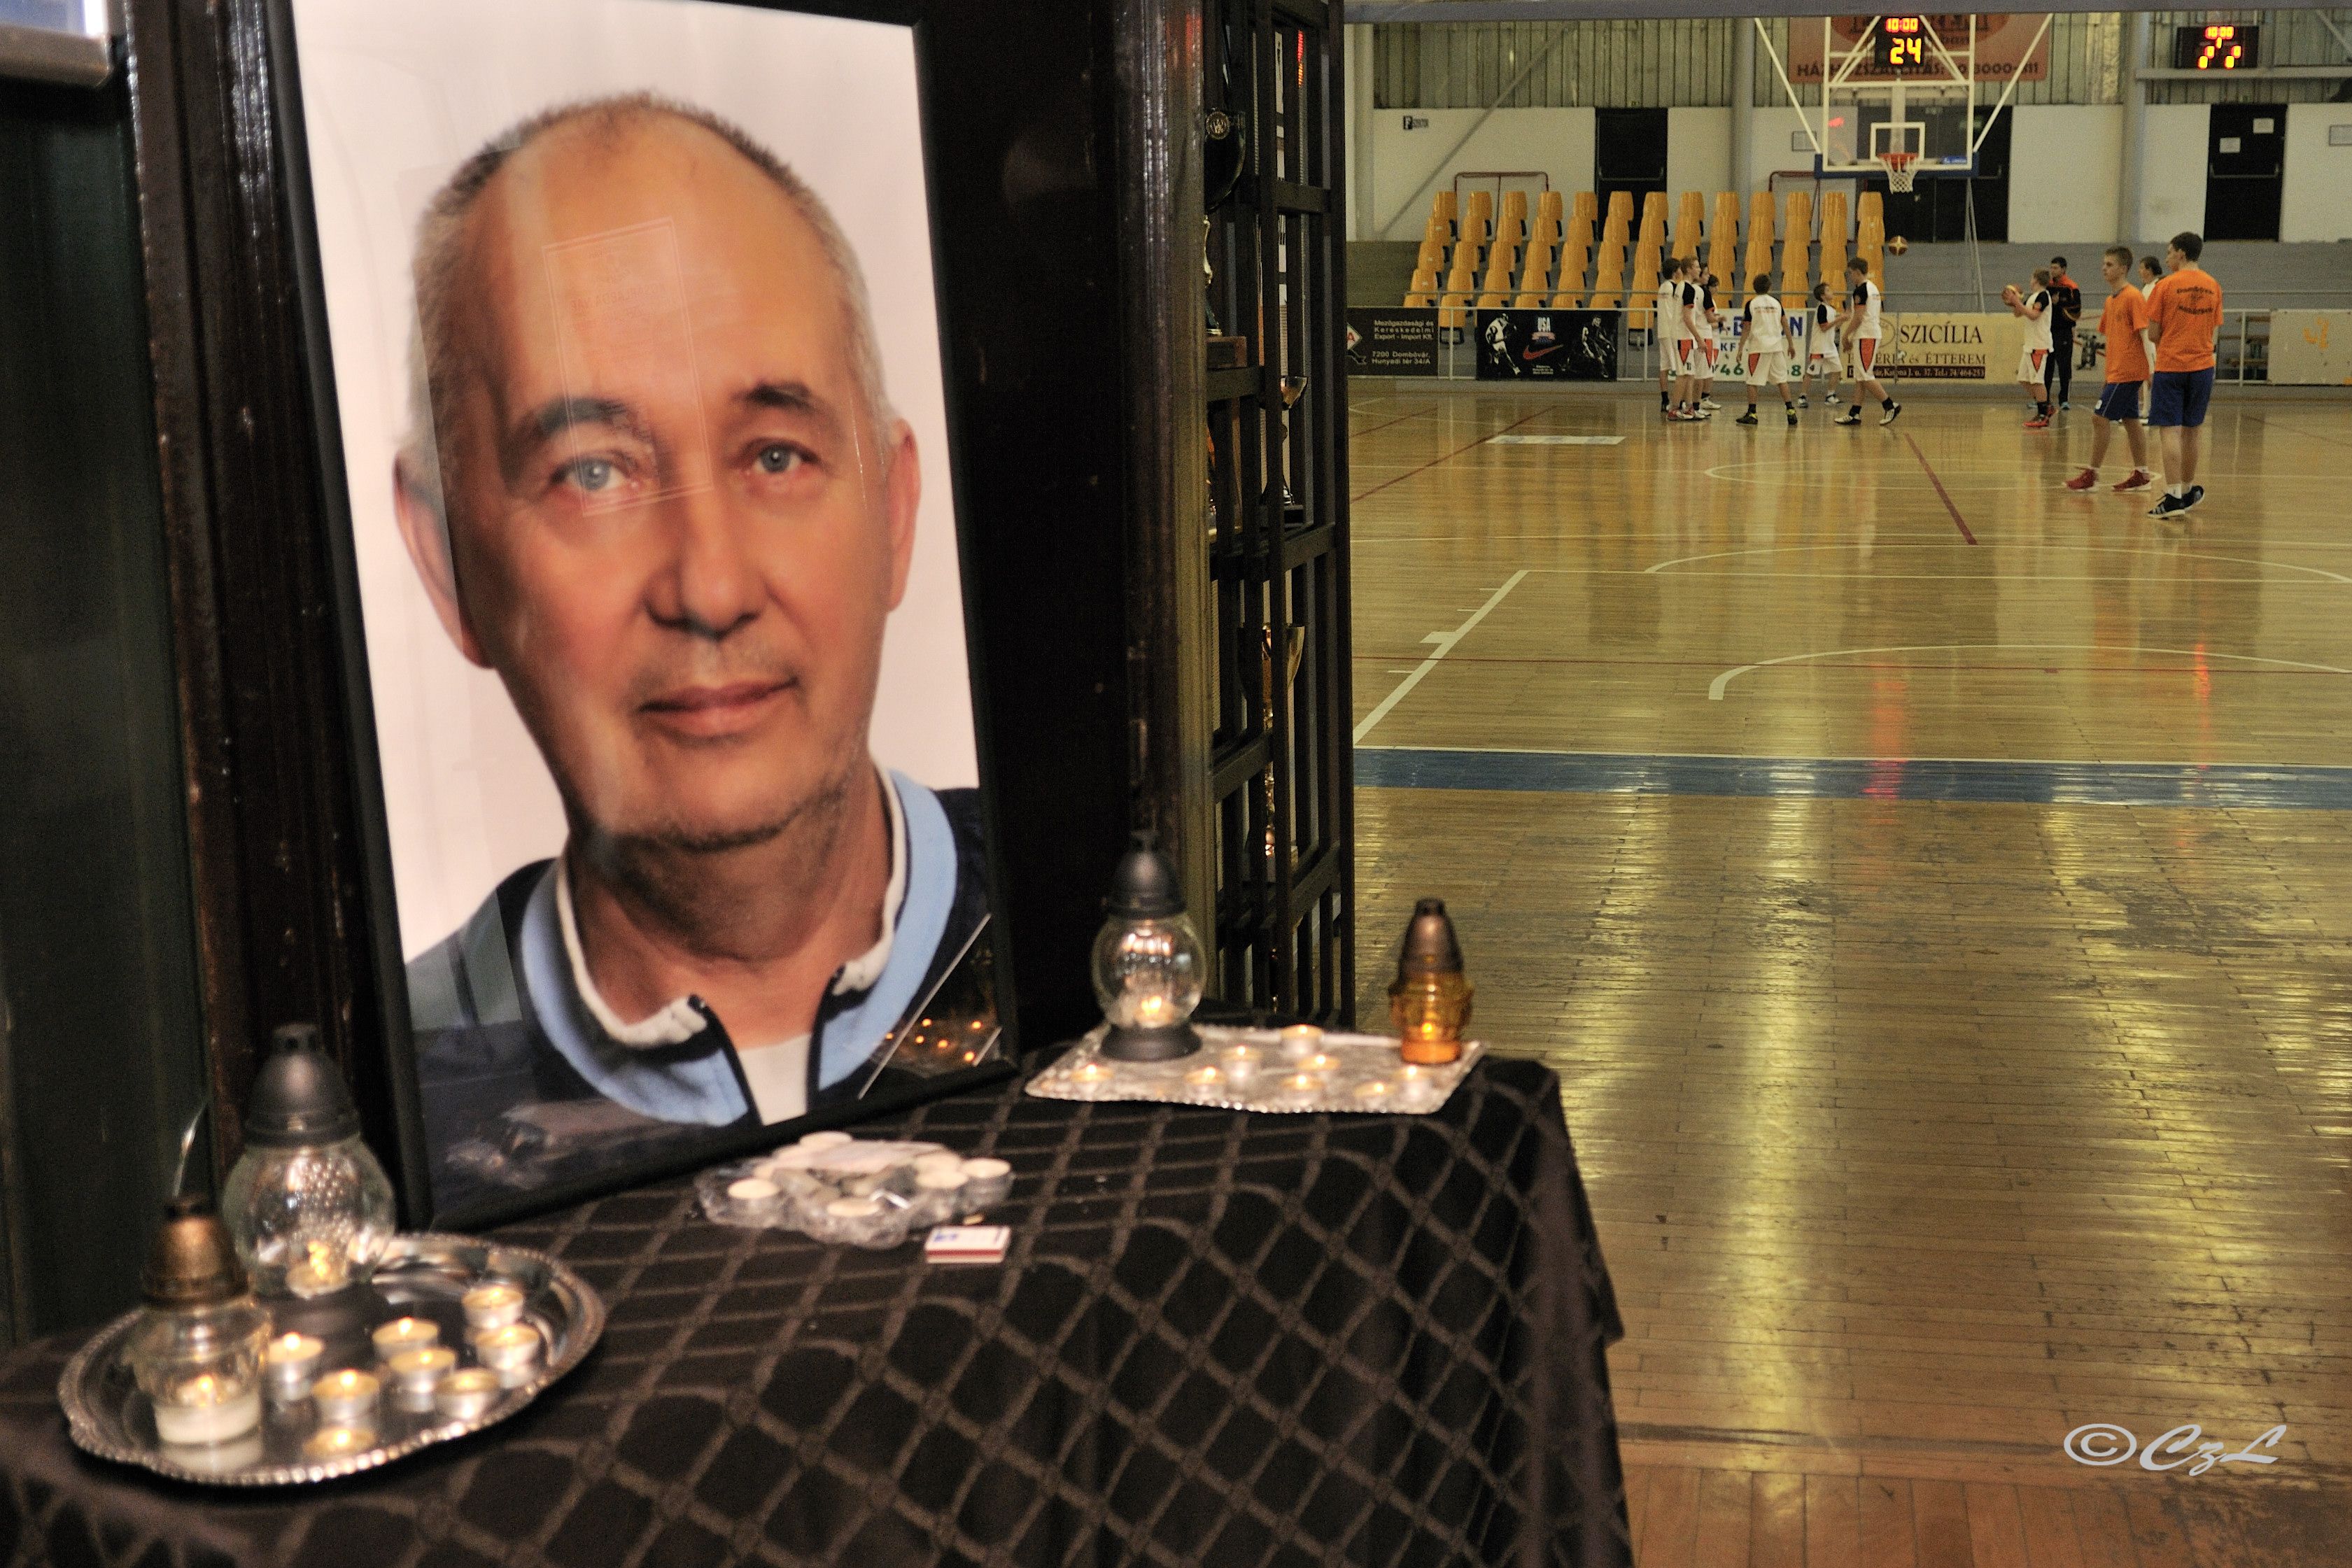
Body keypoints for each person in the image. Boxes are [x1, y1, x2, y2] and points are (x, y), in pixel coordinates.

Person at [391, 94, 993, 1205]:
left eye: (775, 456)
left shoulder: (1096, 943)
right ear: (445, 560)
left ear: (896, 513)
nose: (710, 589)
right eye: (593, 473)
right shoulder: (376, 1116)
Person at [2143, 229, 2224, 518]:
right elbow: (2214, 329)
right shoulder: (2213, 285)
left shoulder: (2165, 286)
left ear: (2181, 253)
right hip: (2203, 367)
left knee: (2170, 431)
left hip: (2172, 366)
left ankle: (2174, 495)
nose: (2166, 258)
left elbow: (2153, 333)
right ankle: (2189, 490)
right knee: (2193, 430)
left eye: (2169, 252)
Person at [2064, 246, 2155, 494]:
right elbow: (2114, 340)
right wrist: (2108, 375)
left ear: (2123, 268)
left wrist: (2151, 371)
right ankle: (2142, 474)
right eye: (2104, 264)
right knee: (2132, 421)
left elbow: (2145, 335)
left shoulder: (2133, 297)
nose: (2104, 268)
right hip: (2117, 372)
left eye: (2110, 264)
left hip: (2129, 372)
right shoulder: (2110, 300)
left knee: (2099, 418)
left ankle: (2092, 475)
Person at [1833, 255, 1901, 426]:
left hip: (1866, 335)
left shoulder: (1861, 290)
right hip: (1869, 334)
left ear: (1857, 272)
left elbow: (1859, 317)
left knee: (1865, 375)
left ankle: (1890, 405)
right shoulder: (1873, 287)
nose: (1849, 276)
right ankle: (1854, 413)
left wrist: (1846, 335)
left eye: (1850, 273)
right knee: (1860, 376)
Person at [1735, 276, 1798, 428]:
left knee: (1752, 381)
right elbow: (1785, 324)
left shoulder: (1751, 304)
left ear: (1754, 287)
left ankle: (1752, 413)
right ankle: (1791, 411)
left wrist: (1740, 348)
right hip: (1776, 347)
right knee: (1781, 380)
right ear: (1770, 287)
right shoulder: (1776, 303)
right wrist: (1791, 344)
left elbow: (1746, 328)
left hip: (1758, 347)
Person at [2005, 267, 2056, 429]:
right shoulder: (2032, 297)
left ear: (2035, 279)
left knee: (2037, 381)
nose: (2030, 280)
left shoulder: (2043, 296)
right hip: (2030, 345)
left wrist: (2017, 302)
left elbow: (2034, 316)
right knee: (2023, 379)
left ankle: (2043, 415)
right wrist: (2013, 302)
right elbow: (2018, 314)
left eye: (2031, 277)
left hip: (2039, 346)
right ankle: (2046, 406)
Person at [1669, 257, 1710, 421]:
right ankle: (1674, 409)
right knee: (1683, 374)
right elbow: (1687, 318)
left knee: (1690, 373)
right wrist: (1700, 339)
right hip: (1683, 337)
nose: (1699, 270)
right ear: (1688, 269)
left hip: (1685, 336)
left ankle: (1689, 408)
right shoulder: (1688, 289)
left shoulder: (1681, 286)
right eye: (1697, 267)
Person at [2044, 256, 2083, 411]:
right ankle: (2044, 399)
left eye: (2055, 268)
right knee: (2047, 366)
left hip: (2064, 332)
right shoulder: (2047, 286)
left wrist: (2059, 303)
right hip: (2048, 331)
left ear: (2063, 269)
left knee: (2064, 366)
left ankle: (2064, 400)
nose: (2052, 271)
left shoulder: (2071, 287)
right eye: (2051, 267)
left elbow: (2077, 308)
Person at [1799, 281, 1840, 409]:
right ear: (1822, 296)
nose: (1831, 291)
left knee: (1837, 370)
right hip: (1820, 347)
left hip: (1830, 347)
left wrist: (1843, 320)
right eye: (1828, 290)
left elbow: (1834, 328)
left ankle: (1830, 396)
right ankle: (1802, 397)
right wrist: (1839, 319)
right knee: (1811, 372)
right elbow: (1824, 327)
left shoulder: (1832, 309)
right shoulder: (1821, 308)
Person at [1656, 258, 1683, 420]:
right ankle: (1678, 403)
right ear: (1675, 272)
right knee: (1680, 368)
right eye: (1679, 269)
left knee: (1664, 367)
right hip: (1672, 332)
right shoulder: (1675, 287)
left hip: (1662, 331)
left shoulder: (1662, 288)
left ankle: (1664, 400)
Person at [1697, 272, 1724, 411]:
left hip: (1714, 338)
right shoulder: (1707, 300)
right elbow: (1708, 321)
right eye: (1715, 285)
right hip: (1710, 338)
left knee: (1710, 369)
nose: (1717, 288)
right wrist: (1719, 324)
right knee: (1707, 370)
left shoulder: (1712, 301)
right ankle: (1703, 398)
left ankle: (1704, 398)